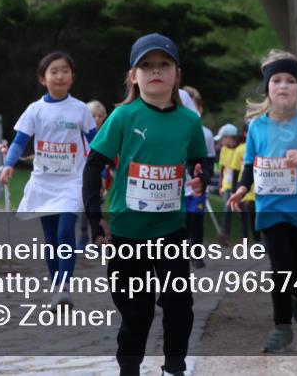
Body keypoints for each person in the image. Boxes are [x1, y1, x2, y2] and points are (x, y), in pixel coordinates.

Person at [81, 33, 209, 376]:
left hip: (171, 230)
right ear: (133, 76)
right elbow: (93, 165)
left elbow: (200, 160)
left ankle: (174, 367)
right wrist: (95, 218)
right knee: (137, 312)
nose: (155, 71)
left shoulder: (189, 121)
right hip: (128, 233)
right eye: (146, 65)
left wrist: (202, 177)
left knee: (179, 303)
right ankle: (129, 369)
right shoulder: (124, 116)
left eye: (164, 64)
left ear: (176, 75)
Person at [226, 50, 297, 354]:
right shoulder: (257, 126)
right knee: (281, 267)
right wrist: (241, 189)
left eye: (290, 80)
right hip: (270, 208)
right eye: (277, 80)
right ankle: (281, 327)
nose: (284, 85)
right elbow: (250, 164)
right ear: (268, 87)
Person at [0, 51, 97, 307]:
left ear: (72, 77)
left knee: (66, 231)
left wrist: (100, 170)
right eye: (54, 71)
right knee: (51, 238)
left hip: (73, 182)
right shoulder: (35, 110)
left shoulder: (80, 109)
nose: (60, 75)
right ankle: (57, 288)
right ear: (43, 79)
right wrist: (8, 165)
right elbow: (19, 141)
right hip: (44, 183)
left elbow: (96, 143)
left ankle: (65, 287)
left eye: (65, 71)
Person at [183, 86, 216, 269]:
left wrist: (204, 180)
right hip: (178, 188)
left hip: (197, 189)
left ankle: (196, 254)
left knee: (196, 221)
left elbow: (210, 161)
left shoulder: (206, 134)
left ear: (200, 110)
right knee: (182, 223)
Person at [80, 100, 108, 249]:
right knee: (84, 208)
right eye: (93, 116)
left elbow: (104, 161)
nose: (96, 119)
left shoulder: (106, 136)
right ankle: (83, 235)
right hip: (80, 176)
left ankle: (97, 239)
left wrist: (103, 178)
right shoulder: (80, 136)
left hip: (99, 177)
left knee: (95, 207)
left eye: (99, 116)